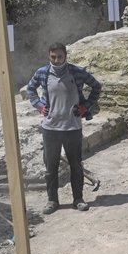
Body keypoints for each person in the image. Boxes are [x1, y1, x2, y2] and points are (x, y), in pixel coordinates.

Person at [26, 42, 102, 213]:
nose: (57, 60)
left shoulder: (77, 72)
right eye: (53, 57)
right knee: (51, 167)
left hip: (72, 127)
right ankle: (52, 201)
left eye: (60, 56)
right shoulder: (42, 73)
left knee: (76, 165)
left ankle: (78, 199)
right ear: (49, 56)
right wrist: (39, 105)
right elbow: (30, 89)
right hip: (51, 128)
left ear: (65, 55)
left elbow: (96, 86)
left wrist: (86, 106)